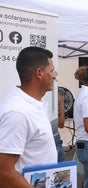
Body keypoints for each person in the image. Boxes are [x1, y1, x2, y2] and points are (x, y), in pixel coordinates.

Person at [0, 46, 57, 187]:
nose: (54, 76)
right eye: (51, 71)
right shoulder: (18, 112)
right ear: (39, 73)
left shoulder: (32, 104)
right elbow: (3, 171)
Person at [50, 88, 66, 162]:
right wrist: (61, 103)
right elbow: (61, 124)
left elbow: (61, 124)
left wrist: (60, 103)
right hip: (49, 145)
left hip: (57, 142)